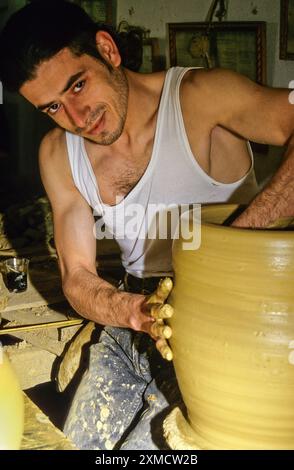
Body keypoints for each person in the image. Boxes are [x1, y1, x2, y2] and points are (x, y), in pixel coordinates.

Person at [1, 0, 293, 450]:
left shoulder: (202, 97)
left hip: (218, 331)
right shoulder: (58, 154)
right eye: (53, 107)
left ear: (106, 50)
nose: (78, 119)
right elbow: (76, 278)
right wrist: (133, 312)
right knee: (75, 443)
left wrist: (235, 242)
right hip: (133, 323)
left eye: (78, 86)